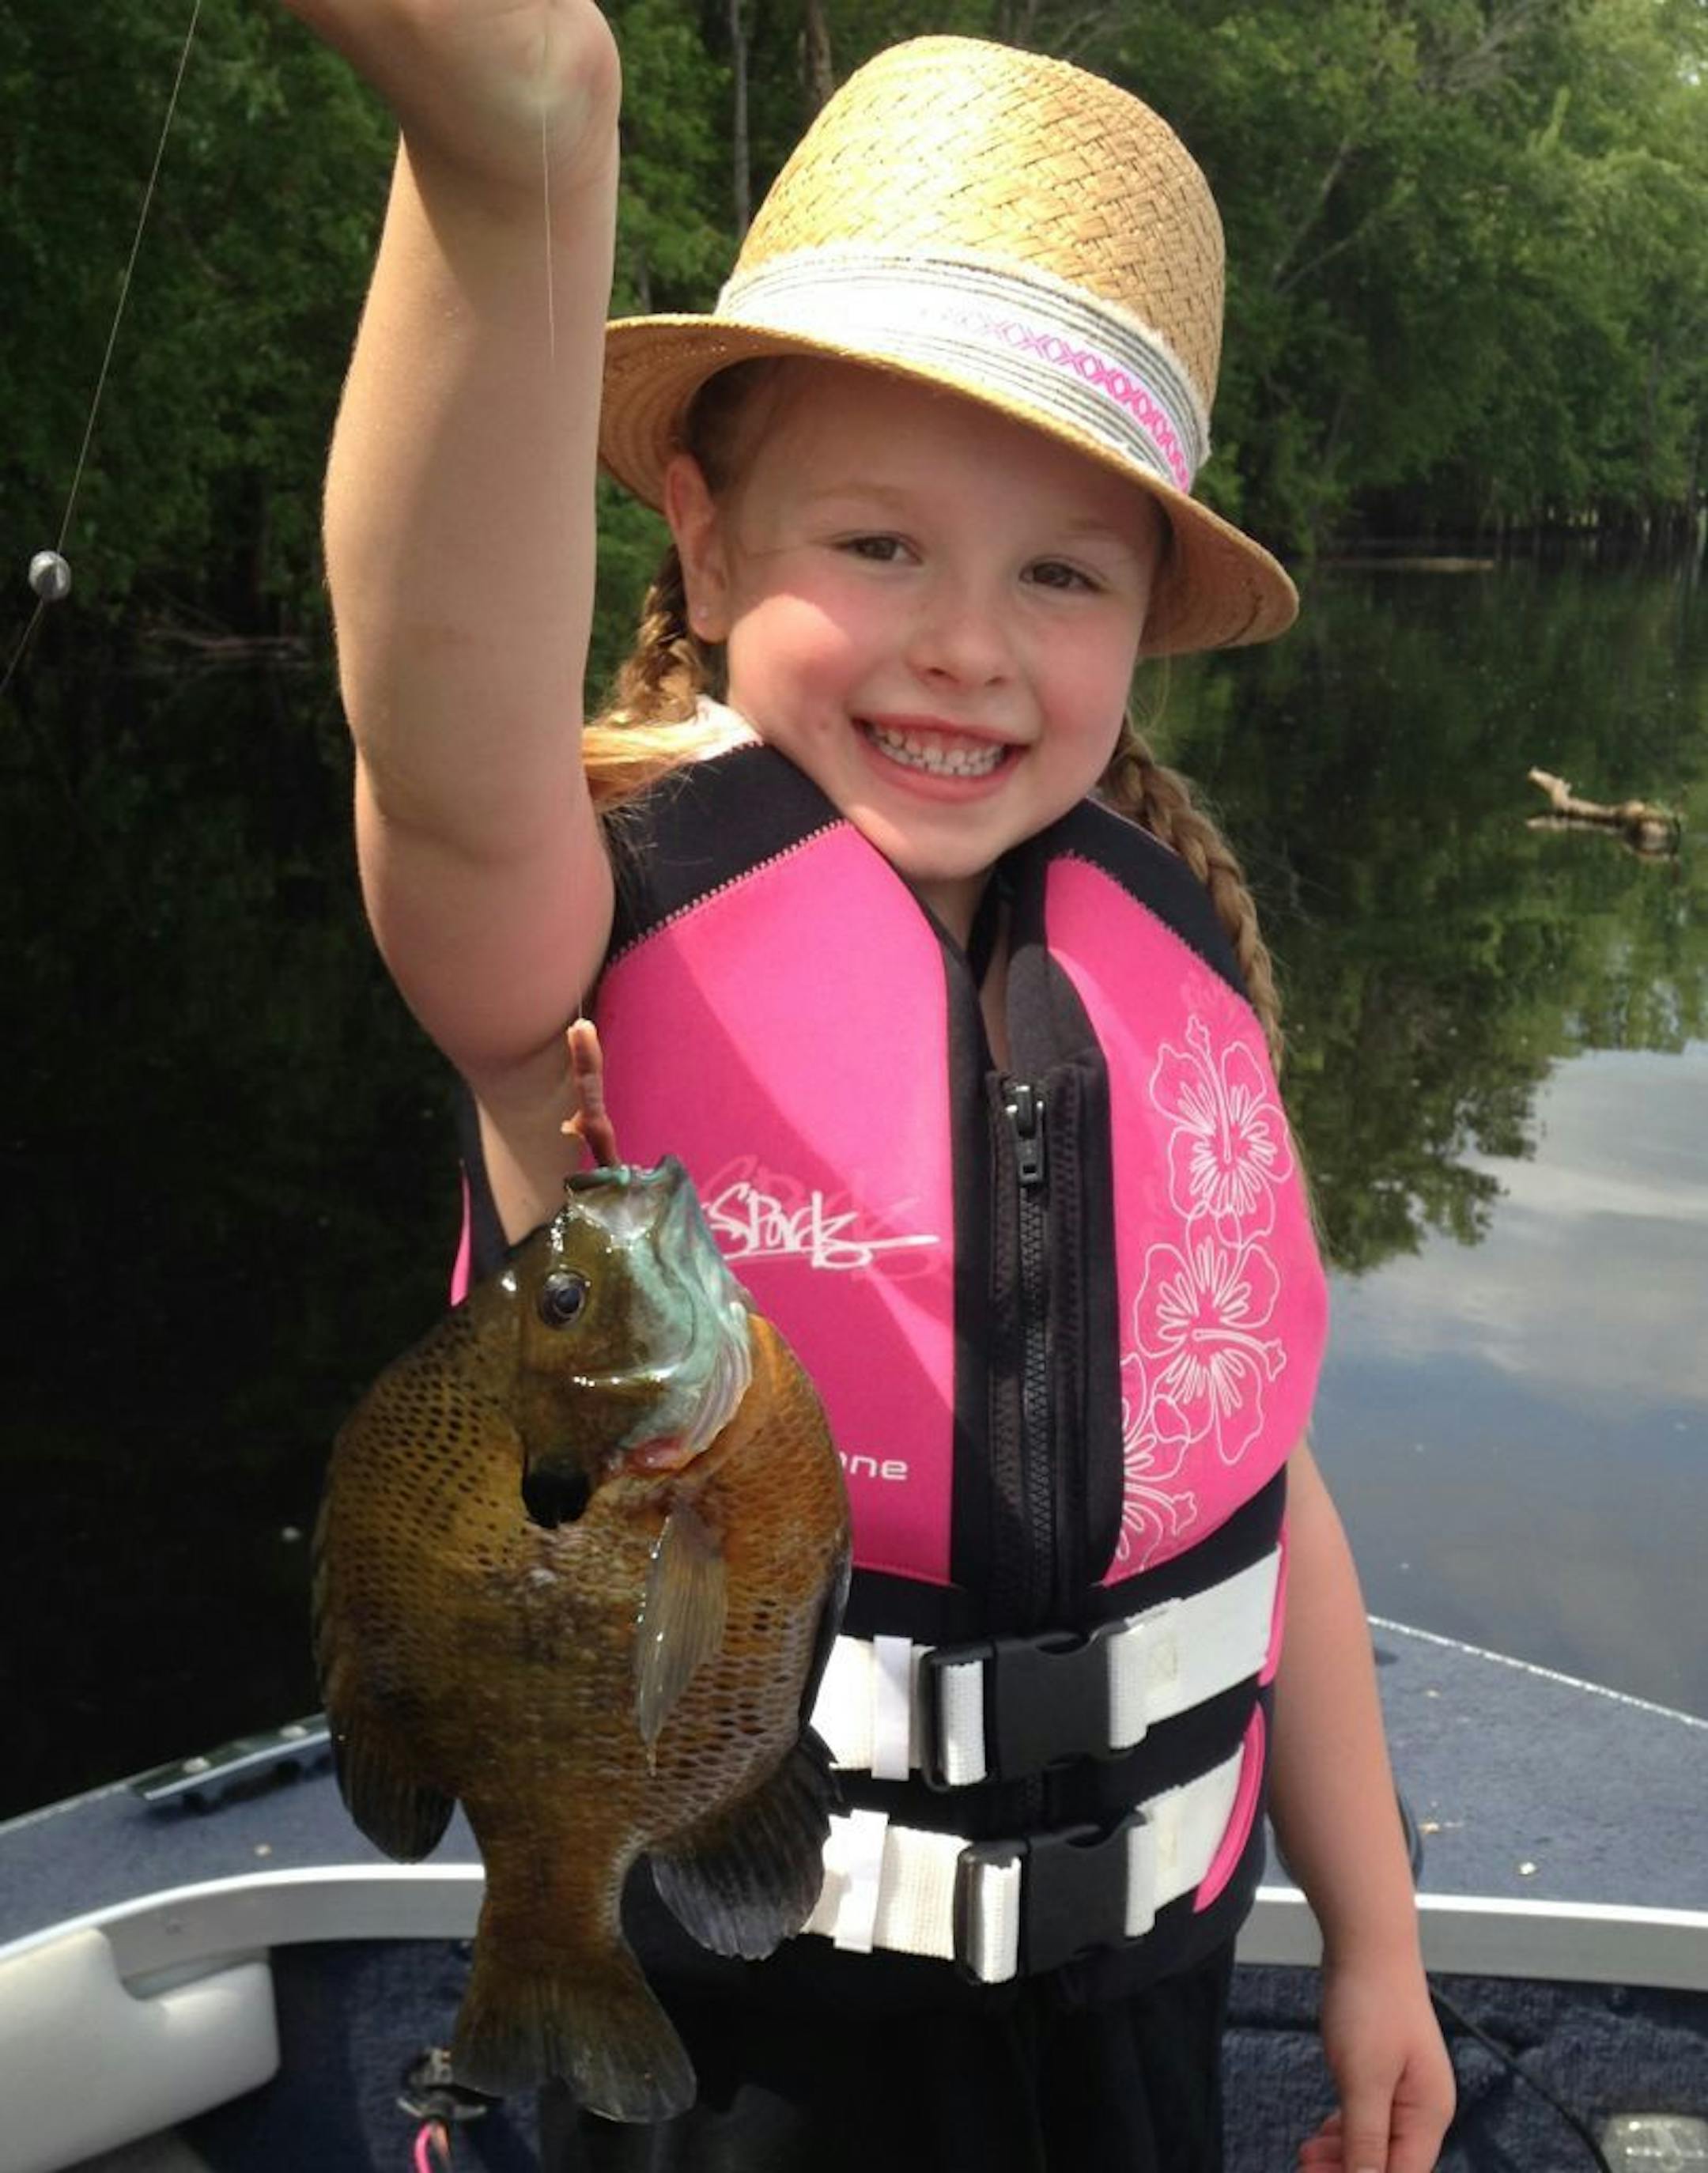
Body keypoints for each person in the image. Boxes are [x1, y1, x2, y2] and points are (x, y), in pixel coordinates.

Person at [282, 4, 1457, 2167]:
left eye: (1061, 574)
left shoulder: (1169, 951)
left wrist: (1373, 1937)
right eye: (879, 547)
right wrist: (512, 159)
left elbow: (1258, 1501)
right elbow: (435, 732)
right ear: (708, 547)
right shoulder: (575, 948)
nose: (966, 644)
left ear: (1144, 624)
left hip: (1136, 2020)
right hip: (730, 2040)